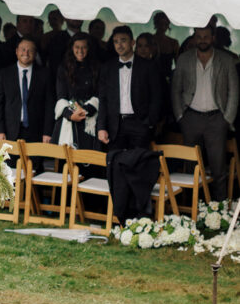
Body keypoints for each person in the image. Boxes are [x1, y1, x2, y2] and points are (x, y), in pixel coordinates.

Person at [171, 25, 238, 201]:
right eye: (199, 36)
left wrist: (227, 118)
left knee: (218, 168)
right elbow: (175, 89)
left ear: (213, 38)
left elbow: (234, 91)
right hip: (190, 117)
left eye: (206, 36)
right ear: (194, 37)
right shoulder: (184, 59)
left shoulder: (226, 60)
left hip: (217, 118)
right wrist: (181, 116)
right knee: (191, 167)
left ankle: (219, 210)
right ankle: (191, 211)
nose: (202, 40)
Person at [96, 25, 162, 149]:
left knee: (139, 164)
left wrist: (150, 122)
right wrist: (101, 127)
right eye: (116, 42)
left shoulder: (148, 66)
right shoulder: (107, 67)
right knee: (116, 164)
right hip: (115, 124)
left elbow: (156, 97)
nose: (119, 45)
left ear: (132, 42)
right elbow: (103, 99)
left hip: (140, 123)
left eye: (123, 40)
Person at [0, 36, 53, 142]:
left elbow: (49, 105)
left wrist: (47, 132)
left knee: (35, 159)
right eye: (23, 49)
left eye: (30, 50)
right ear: (16, 51)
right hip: (9, 131)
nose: (26, 53)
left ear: (35, 53)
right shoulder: (5, 74)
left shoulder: (45, 75)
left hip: (37, 133)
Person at [52, 33, 100, 148]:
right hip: (69, 116)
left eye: (84, 47)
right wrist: (74, 112)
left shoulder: (97, 67)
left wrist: (84, 110)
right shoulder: (63, 68)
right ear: (72, 48)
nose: (80, 51)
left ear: (88, 48)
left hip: (90, 119)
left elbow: (99, 94)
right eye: (77, 47)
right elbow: (62, 96)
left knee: (88, 161)